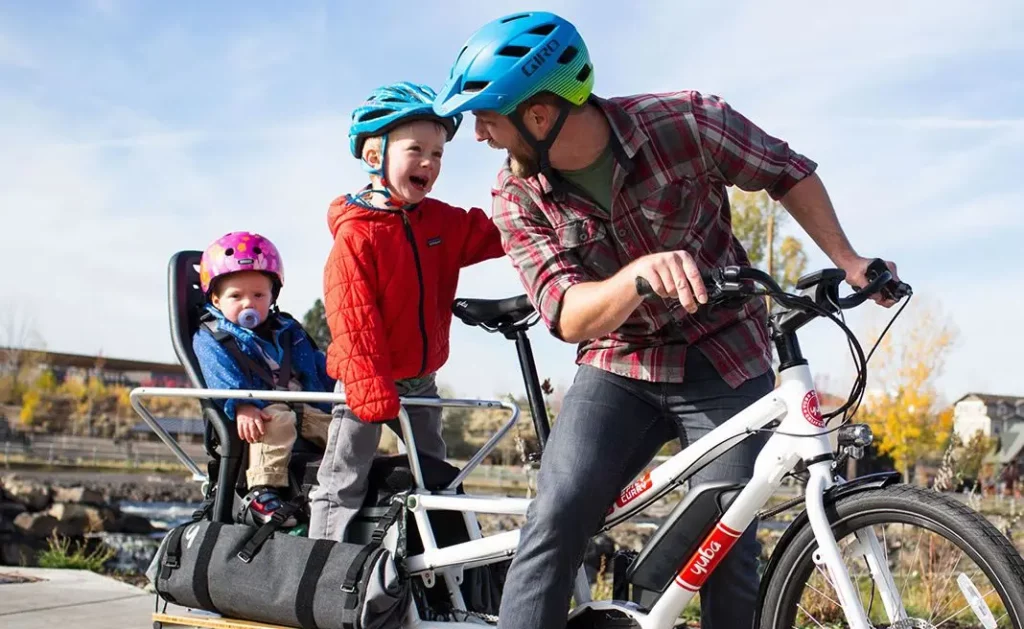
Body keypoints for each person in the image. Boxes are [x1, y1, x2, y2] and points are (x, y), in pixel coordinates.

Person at [433, 11, 902, 629]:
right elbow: (567, 315)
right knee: (559, 512)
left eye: (487, 117)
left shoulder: (684, 122)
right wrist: (636, 276)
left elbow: (787, 171)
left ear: (539, 114)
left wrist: (849, 261)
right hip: (617, 364)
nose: (480, 136)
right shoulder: (516, 196)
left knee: (729, 538)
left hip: (724, 355)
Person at [308, 81, 506, 542]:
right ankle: (320, 569)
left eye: (438, 154)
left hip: (420, 378)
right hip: (366, 381)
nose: (429, 163)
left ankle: (432, 564)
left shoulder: (438, 220)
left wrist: (530, 201)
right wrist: (368, 385)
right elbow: (352, 317)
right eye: (416, 149)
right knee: (344, 479)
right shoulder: (358, 235)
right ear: (375, 156)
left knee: (433, 474)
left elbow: (492, 234)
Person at [193, 231, 335, 527]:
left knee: (345, 430)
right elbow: (220, 376)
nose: (249, 304)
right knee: (276, 421)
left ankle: (360, 483)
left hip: (306, 407)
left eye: (259, 295)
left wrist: (342, 382)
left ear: (272, 296)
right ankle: (261, 492)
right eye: (236, 296)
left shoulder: (288, 330)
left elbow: (318, 365)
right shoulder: (213, 338)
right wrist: (240, 405)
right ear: (216, 300)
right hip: (261, 411)